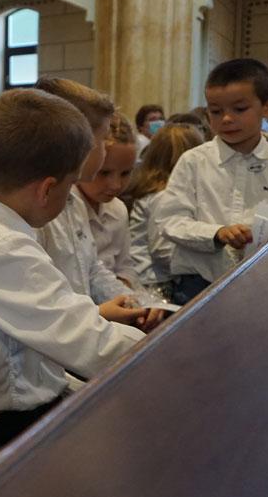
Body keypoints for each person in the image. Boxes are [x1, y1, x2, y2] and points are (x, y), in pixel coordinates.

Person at [0, 89, 149, 462]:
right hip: (3, 429)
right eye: (70, 185)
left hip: (23, 409)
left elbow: (59, 319)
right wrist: (172, 350)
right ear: (48, 189)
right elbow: (91, 343)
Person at [157, 58, 268, 305]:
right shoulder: (193, 161)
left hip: (262, 282)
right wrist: (216, 233)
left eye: (239, 109)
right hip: (197, 283)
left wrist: (253, 233)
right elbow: (170, 220)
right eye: (216, 111)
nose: (226, 118)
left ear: (267, 107)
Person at [34, 77, 154, 323]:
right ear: (77, 143)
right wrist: (98, 315)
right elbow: (41, 306)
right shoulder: (36, 211)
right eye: (100, 141)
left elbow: (91, 269)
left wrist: (134, 302)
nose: (115, 184)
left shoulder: (72, 202)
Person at [125, 124, 204, 292]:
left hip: (159, 278)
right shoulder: (164, 195)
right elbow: (163, 250)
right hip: (155, 283)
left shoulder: (163, 191)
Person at [75, 112, 140, 286]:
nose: (116, 185)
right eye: (104, 173)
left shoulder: (118, 209)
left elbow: (125, 266)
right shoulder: (63, 211)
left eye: (125, 173)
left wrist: (124, 287)